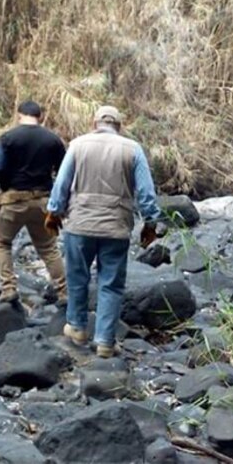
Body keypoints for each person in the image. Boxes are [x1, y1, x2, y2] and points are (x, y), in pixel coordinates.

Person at [46, 105, 164, 358]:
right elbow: (145, 192)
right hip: (116, 226)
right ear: (119, 126)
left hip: (80, 223)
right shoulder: (133, 149)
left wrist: (54, 212)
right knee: (110, 285)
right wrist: (151, 223)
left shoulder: (78, 144)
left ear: (94, 123)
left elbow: (62, 183)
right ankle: (105, 343)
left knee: (77, 277)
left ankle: (77, 328)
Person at [0, 100, 68, 304]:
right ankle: (63, 292)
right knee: (49, 248)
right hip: (43, 201)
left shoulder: (8, 138)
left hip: (14, 200)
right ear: (40, 117)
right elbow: (64, 171)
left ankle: (8, 288)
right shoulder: (53, 140)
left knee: (1, 242)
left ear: (19, 115)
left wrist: (6, 186)